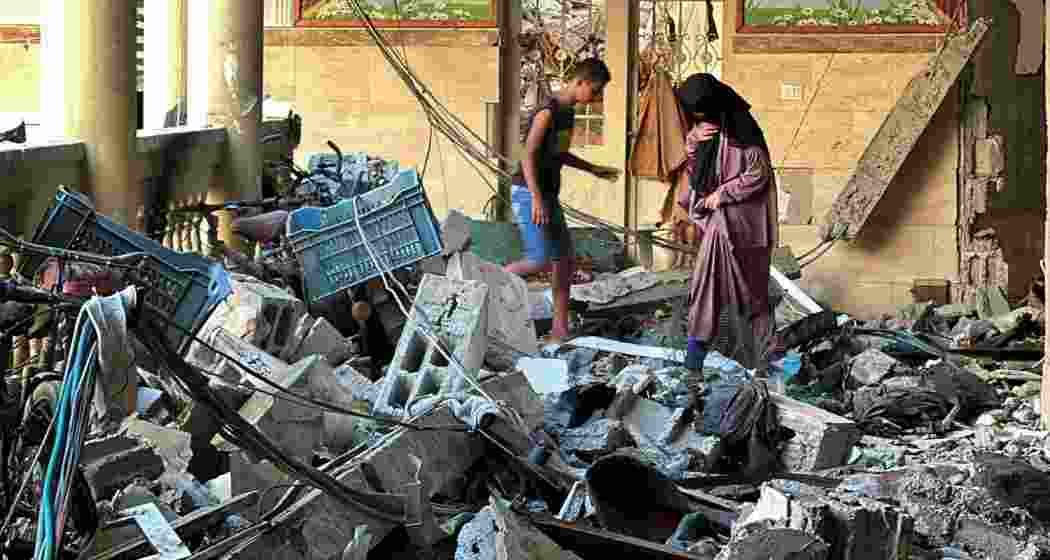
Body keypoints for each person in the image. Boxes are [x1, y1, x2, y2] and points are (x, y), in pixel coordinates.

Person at [675, 73, 778, 416]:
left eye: (704, 115)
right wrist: (692, 142)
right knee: (707, 289)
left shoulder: (743, 131)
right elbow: (696, 173)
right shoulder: (704, 128)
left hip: (746, 227)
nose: (702, 121)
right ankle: (695, 366)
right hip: (719, 226)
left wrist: (723, 193)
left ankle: (763, 364)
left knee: (753, 294)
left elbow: (758, 174)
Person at [504, 58, 621, 344]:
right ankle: (483, 280)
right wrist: (535, 199)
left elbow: (559, 154)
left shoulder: (569, 113)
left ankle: (560, 331)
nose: (596, 98)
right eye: (594, 91)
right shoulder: (549, 111)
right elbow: (528, 154)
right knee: (538, 260)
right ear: (579, 82)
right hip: (527, 193)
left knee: (564, 261)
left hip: (547, 195)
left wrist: (593, 169)